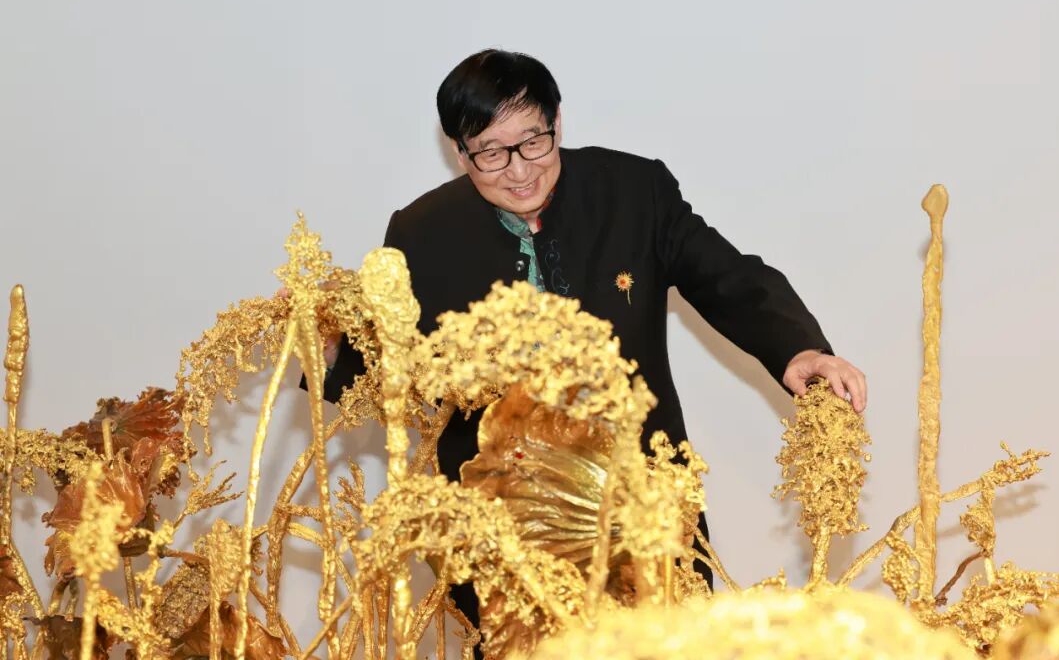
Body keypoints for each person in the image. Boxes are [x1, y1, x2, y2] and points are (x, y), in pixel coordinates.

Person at [308, 49, 867, 655]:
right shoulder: (421, 232)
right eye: (491, 153)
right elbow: (388, 363)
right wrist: (329, 346)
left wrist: (798, 349)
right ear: (459, 151)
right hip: (503, 527)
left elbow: (728, 277)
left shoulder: (634, 191)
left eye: (533, 142)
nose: (519, 170)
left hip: (644, 507)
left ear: (557, 122)